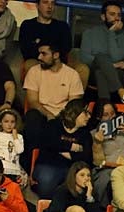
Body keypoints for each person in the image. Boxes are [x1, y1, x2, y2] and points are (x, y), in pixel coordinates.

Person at [21, 40, 84, 172]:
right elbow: (32, 101)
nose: (39, 58)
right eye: (39, 54)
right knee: (32, 117)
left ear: (56, 55)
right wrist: (49, 115)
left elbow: (74, 106)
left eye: (44, 54)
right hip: (42, 114)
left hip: (64, 117)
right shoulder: (34, 71)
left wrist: (60, 118)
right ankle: (29, 169)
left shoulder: (72, 75)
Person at [79, 2, 124, 105]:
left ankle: (105, 107)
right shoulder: (89, 33)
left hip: (117, 75)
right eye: (112, 14)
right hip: (93, 74)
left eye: (119, 15)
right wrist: (112, 65)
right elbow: (84, 57)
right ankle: (122, 93)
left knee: (101, 71)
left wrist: (111, 33)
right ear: (103, 17)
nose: (116, 18)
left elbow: (116, 56)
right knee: (100, 59)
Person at [0, 109, 28, 195]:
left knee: (10, 193)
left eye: (12, 122)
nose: (9, 125)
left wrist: (15, 137)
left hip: (13, 170)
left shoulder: (19, 137)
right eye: (6, 121)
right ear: (0, 122)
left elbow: (19, 150)